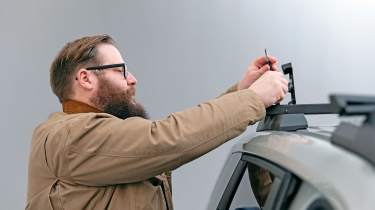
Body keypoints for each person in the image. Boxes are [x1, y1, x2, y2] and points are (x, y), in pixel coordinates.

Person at [26, 34, 288, 210]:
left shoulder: (100, 136)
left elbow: (166, 139)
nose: (132, 79)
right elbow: (164, 140)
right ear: (85, 79)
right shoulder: (68, 136)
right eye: (121, 71)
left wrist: (242, 92)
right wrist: (252, 98)